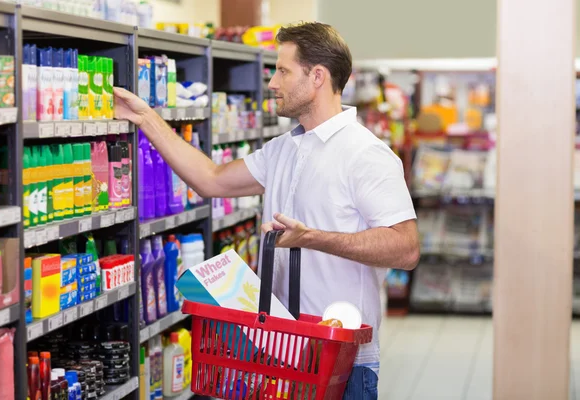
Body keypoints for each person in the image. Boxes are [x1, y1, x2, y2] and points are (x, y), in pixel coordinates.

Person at [114, 21, 419, 399]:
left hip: (339, 361)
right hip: (280, 354)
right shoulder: (283, 149)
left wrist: (313, 238)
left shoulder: (365, 154)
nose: (273, 83)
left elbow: (405, 248)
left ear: (318, 76)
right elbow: (210, 179)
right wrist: (146, 118)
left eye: (283, 71)